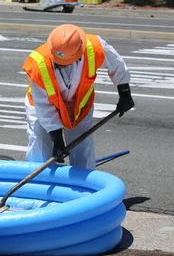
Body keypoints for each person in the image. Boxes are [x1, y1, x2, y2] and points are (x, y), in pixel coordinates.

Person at [23, 24, 134, 169]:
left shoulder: (95, 46)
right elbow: (44, 107)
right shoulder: (39, 63)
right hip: (42, 105)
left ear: (79, 53)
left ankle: (84, 184)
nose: (61, 66)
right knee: (41, 145)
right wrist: (57, 139)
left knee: (82, 146)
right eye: (58, 64)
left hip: (80, 104)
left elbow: (117, 64)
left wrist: (124, 92)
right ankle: (39, 187)